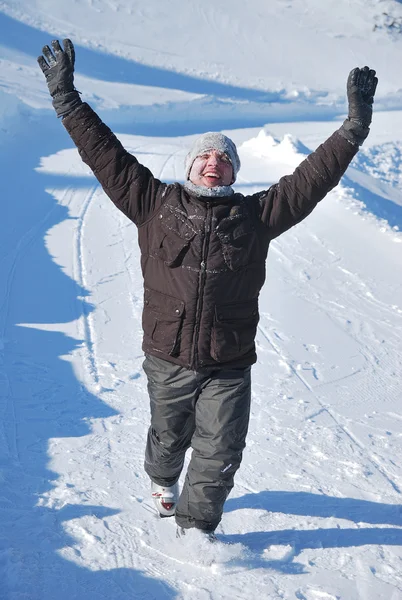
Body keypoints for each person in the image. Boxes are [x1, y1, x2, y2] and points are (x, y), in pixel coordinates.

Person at [38, 39, 378, 539]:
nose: (214, 163)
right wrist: (67, 99)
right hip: (168, 356)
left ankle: (197, 532)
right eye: (205, 157)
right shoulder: (154, 204)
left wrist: (354, 127)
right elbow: (106, 155)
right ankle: (160, 477)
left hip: (228, 359)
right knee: (169, 438)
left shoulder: (256, 216)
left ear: (235, 172)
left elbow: (312, 178)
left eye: (224, 158)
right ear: (190, 167)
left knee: (220, 449)